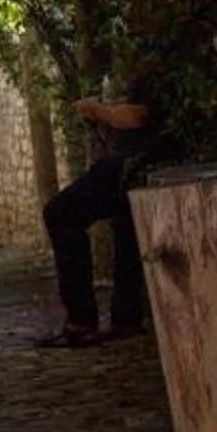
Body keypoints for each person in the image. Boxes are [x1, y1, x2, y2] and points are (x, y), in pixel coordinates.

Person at [37, 89, 162, 348]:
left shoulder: (156, 59)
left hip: (136, 164)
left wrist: (99, 111)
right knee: (125, 226)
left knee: (61, 213)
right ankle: (125, 318)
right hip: (136, 163)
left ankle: (83, 321)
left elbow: (139, 115)